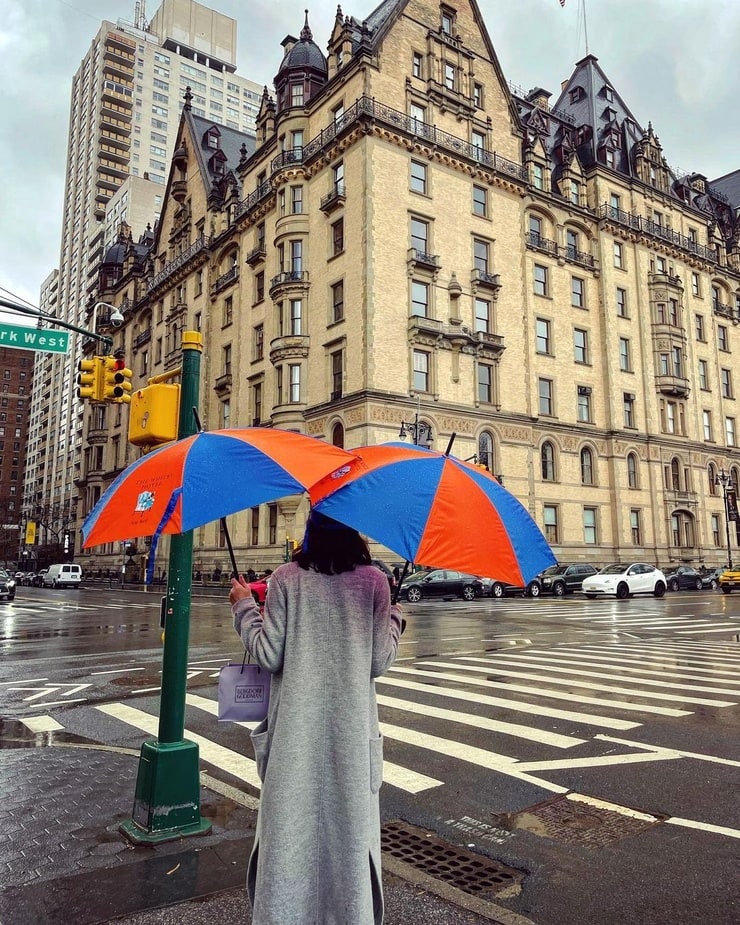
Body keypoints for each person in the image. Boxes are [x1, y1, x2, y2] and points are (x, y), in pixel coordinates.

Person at [229, 510, 403, 925]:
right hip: (352, 741)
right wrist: (395, 618)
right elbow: (380, 661)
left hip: (293, 737)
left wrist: (244, 608)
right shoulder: (374, 582)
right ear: (353, 532)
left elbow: (268, 654)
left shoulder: (286, 579)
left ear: (311, 532)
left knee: (288, 839)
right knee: (349, 840)